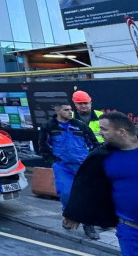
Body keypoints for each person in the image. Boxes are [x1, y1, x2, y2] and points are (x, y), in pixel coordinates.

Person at [64, 111, 138, 256]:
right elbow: (85, 186)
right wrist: (73, 213)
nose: (100, 133)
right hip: (132, 235)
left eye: (104, 129)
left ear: (121, 132)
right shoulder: (101, 157)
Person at [39, 101, 99, 240]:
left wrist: (90, 160)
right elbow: (43, 147)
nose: (70, 112)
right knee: (66, 193)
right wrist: (53, 162)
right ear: (57, 111)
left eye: (70, 109)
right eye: (66, 110)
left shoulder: (80, 125)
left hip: (82, 166)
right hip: (63, 167)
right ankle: (68, 215)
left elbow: (94, 143)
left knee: (86, 196)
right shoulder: (48, 127)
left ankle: (88, 226)